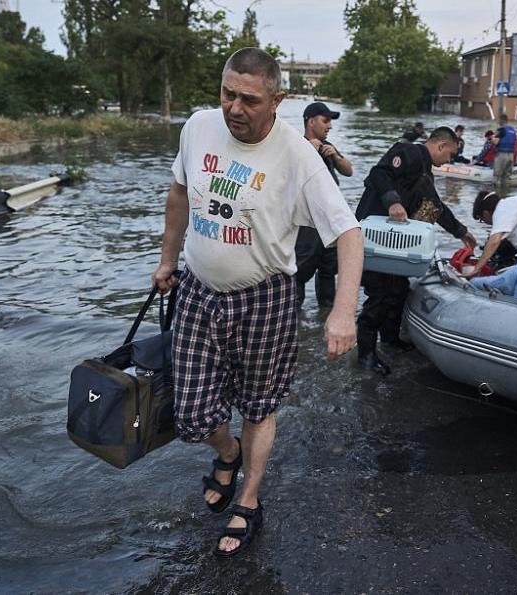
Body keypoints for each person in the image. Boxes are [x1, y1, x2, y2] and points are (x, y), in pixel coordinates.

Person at [151, 48, 364, 558]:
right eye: (228, 94)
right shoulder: (198, 127)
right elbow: (179, 191)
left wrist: (342, 311)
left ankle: (248, 496)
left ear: (276, 100)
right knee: (194, 413)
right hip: (198, 290)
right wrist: (167, 258)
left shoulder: (298, 157)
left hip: (265, 296)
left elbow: (350, 233)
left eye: (249, 99)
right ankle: (226, 454)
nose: (234, 108)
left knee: (258, 405)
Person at [355, 126, 477, 375]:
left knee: (398, 289)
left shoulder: (425, 176)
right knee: (378, 295)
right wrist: (394, 201)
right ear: (441, 146)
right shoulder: (407, 152)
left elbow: (437, 208)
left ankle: (390, 339)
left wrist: (461, 232)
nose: (449, 161)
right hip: (373, 239)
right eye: (450, 155)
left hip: (396, 244)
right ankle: (365, 354)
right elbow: (379, 174)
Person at [294, 101, 354, 307]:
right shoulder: (296, 145)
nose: (330, 126)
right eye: (325, 120)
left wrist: (335, 156)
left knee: (329, 270)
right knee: (298, 272)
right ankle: (294, 321)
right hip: (306, 225)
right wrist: (307, 152)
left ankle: (325, 316)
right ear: (311, 121)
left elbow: (349, 171)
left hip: (329, 223)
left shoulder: (328, 147)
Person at [492, 113, 517, 186]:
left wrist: (491, 139)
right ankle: (506, 194)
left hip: (502, 155)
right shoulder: (513, 130)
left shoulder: (501, 129)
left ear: (502, 120)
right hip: (511, 156)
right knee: (507, 177)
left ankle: (498, 194)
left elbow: (495, 142)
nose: (497, 121)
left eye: (498, 119)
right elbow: (515, 142)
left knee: (497, 177)